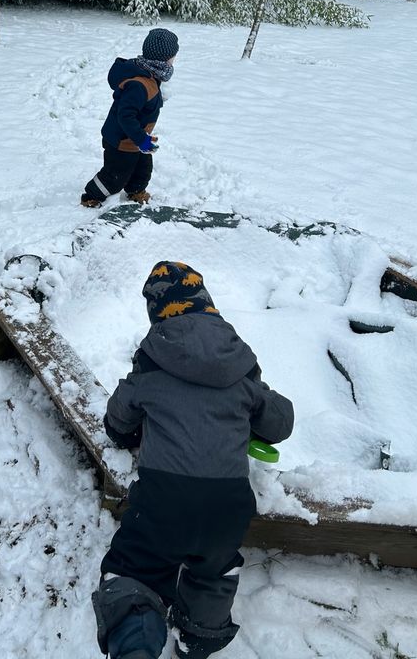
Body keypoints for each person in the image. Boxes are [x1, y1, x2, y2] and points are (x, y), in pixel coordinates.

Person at [92, 261, 294, 659]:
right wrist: (253, 405)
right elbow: (280, 423)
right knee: (215, 570)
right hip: (228, 505)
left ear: (157, 312)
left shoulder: (152, 360)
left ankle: (136, 648)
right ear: (207, 305)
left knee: (136, 568)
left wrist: (129, 433)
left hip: (163, 499)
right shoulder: (238, 364)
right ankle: (198, 639)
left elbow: (118, 416)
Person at [81, 28, 179, 208]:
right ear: (164, 58)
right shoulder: (139, 84)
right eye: (173, 56)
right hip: (121, 140)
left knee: (143, 168)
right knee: (115, 175)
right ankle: (91, 195)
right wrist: (141, 139)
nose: (174, 60)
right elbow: (125, 116)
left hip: (136, 136)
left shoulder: (150, 73)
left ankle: (135, 191)